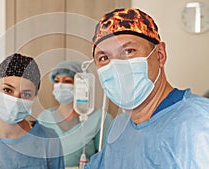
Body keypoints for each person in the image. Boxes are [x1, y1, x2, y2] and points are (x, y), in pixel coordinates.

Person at [85, 8, 209, 168]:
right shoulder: (119, 127)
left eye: (128, 51)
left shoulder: (199, 122)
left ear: (160, 55)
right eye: (103, 58)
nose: (115, 66)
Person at [38, 61, 113, 168]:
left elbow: (108, 159)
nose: (60, 86)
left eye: (67, 81)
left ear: (82, 85)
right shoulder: (44, 117)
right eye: (57, 81)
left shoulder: (100, 119)